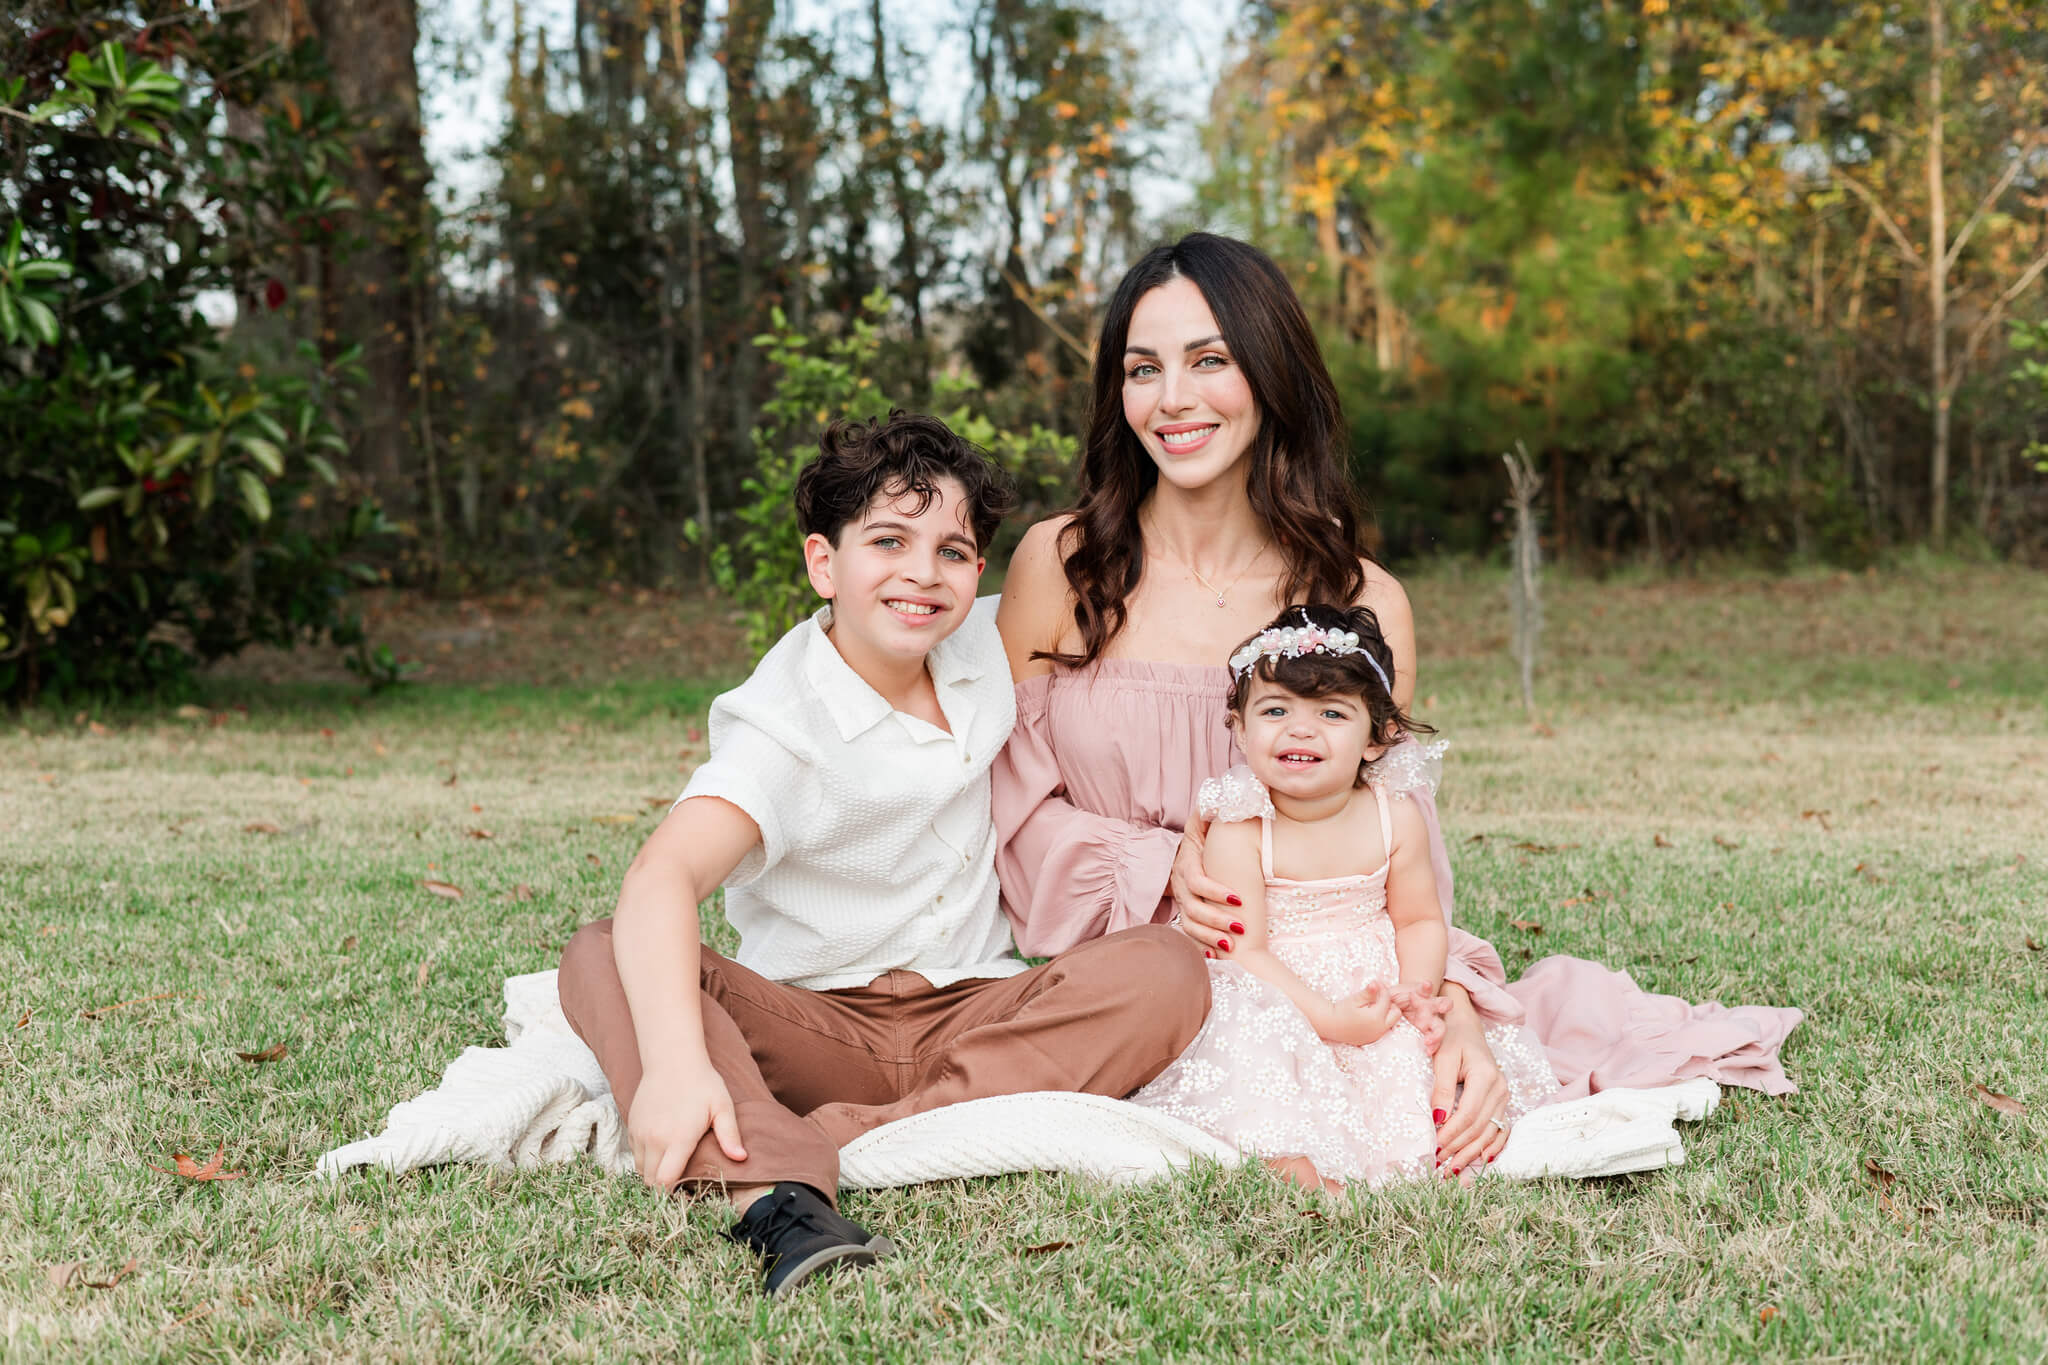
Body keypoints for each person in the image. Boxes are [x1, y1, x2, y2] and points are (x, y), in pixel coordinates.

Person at [994, 232, 1801, 1180]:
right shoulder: (1063, 565)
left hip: (1319, 983)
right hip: (1123, 970)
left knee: (1436, 1092)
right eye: (1143, 368)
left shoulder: (1358, 602)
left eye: (1210, 360)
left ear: (1271, 372)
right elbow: (1007, 809)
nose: (1172, 399)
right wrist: (1160, 860)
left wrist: (1452, 1011)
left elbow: (1393, 862)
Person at [558, 412, 1210, 1297]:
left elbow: (1137, 583)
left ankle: (864, 1132)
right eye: (889, 541)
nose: (921, 573)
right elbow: (662, 877)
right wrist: (675, 1068)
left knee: (1167, 966)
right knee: (604, 950)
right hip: (817, 1022)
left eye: (951, 550)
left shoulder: (986, 645)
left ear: (978, 572)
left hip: (976, 1012)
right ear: (823, 562)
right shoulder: (784, 722)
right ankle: (775, 1191)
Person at [1128, 604, 1559, 1190]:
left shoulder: (1394, 816)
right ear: (1240, 726)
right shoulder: (1241, 822)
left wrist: (1418, 990)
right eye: (1275, 710)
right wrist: (1329, 1018)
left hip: (1372, 978)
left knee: (1414, 1066)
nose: (1300, 729)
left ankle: (1424, 1148)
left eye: (1331, 713)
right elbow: (1240, 952)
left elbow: (1419, 920)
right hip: (1271, 990)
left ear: (1377, 738)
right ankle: (1298, 1166)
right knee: (1259, 1064)